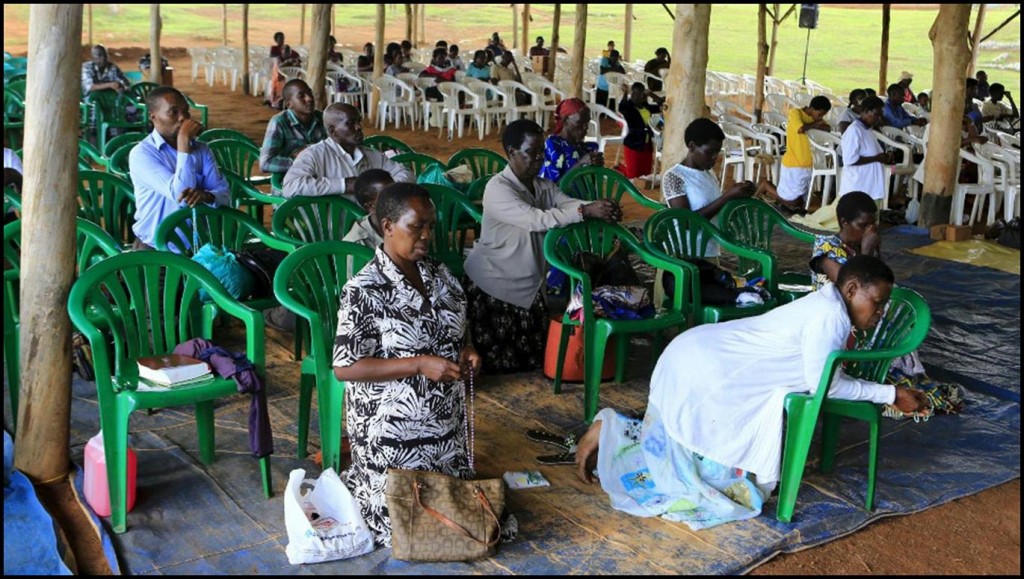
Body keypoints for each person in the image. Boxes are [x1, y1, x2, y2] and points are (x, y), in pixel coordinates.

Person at [573, 255, 929, 529]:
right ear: (851, 291)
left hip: (699, 354)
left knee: (683, 447)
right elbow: (828, 385)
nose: (880, 313)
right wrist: (890, 394)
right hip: (707, 368)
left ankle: (619, 430)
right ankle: (615, 431)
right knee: (711, 483)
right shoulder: (830, 317)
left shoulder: (829, 304)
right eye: (878, 302)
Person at [333, 182, 482, 547]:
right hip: (393, 435)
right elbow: (345, 368)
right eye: (416, 227)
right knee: (413, 528)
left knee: (464, 522)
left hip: (445, 428)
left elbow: (457, 333)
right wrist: (417, 365)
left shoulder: (441, 276)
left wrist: (468, 350)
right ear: (387, 226)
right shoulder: (365, 289)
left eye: (431, 226)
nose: (427, 236)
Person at [463, 119, 621, 374]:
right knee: (502, 369)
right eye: (532, 152)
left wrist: (596, 206)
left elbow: (566, 203)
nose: (539, 159)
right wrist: (585, 210)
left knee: (535, 362)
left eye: (542, 152)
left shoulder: (541, 186)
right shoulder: (498, 188)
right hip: (493, 285)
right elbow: (536, 219)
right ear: (513, 153)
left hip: (529, 285)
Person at [128, 87, 230, 251]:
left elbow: (224, 195)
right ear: (153, 116)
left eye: (186, 112)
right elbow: (180, 196)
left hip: (199, 248)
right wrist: (183, 142)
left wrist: (207, 196)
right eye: (173, 112)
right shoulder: (142, 154)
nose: (183, 118)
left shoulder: (202, 149)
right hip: (156, 248)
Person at [661, 118, 758, 257]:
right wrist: (727, 197)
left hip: (709, 250)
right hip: (685, 254)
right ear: (692, 146)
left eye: (718, 152)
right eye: (710, 152)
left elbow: (716, 210)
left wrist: (738, 196)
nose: (715, 157)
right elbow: (686, 223)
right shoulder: (675, 176)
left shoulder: (709, 173)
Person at [282, 103, 412, 201]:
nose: (359, 127)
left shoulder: (371, 155)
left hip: (367, 228)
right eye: (350, 123)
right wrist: (345, 185)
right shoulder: (314, 155)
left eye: (359, 121)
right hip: (331, 230)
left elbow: (405, 173)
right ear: (333, 131)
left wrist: (385, 189)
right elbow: (290, 186)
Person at [259, 79, 327, 194]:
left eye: (309, 93)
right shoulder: (279, 123)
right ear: (289, 104)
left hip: (321, 185)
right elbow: (266, 163)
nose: (309, 98)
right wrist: (304, 162)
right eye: (301, 96)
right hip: (289, 189)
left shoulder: (323, 119)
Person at [809, 191, 880, 290]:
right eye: (863, 225)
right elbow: (851, 288)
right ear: (844, 223)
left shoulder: (859, 244)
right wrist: (866, 253)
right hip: (833, 304)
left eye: (873, 224)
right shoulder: (827, 247)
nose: (869, 231)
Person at [778, 96, 833, 210]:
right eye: (819, 114)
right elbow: (800, 129)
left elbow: (827, 128)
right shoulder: (795, 113)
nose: (820, 117)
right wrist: (816, 124)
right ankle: (766, 187)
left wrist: (817, 123)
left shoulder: (814, 119)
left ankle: (786, 205)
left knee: (799, 199)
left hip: (807, 163)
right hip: (793, 163)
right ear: (812, 108)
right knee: (792, 199)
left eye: (823, 115)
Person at [839, 96, 893, 204]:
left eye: (881, 115)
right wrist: (876, 158)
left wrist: (883, 157)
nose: (879, 119)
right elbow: (850, 160)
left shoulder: (868, 130)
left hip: (870, 188)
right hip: (858, 188)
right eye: (876, 115)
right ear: (866, 111)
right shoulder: (854, 130)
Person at [539, 98, 603, 183]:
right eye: (580, 122)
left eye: (587, 123)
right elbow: (550, 187)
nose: (585, 128)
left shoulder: (584, 148)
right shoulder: (552, 146)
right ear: (565, 120)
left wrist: (597, 166)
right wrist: (580, 164)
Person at [616, 82, 664, 179]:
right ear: (632, 93)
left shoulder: (645, 106)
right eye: (635, 93)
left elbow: (662, 105)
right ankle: (619, 170)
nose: (637, 96)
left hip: (646, 145)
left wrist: (651, 94)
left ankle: (622, 168)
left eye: (641, 93)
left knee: (645, 175)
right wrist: (625, 93)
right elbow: (622, 107)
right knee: (633, 176)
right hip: (633, 144)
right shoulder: (629, 107)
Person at [343, 169, 394, 249]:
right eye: (388, 197)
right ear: (371, 207)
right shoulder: (355, 245)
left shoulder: (404, 221)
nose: (398, 199)